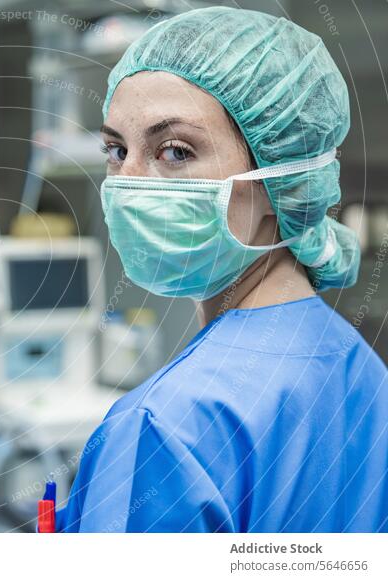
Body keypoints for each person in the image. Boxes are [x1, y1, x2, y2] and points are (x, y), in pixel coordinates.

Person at [56, 6, 388, 532]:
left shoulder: (165, 426)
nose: (127, 183)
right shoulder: (359, 369)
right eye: (116, 149)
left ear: (284, 181)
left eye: (173, 151)